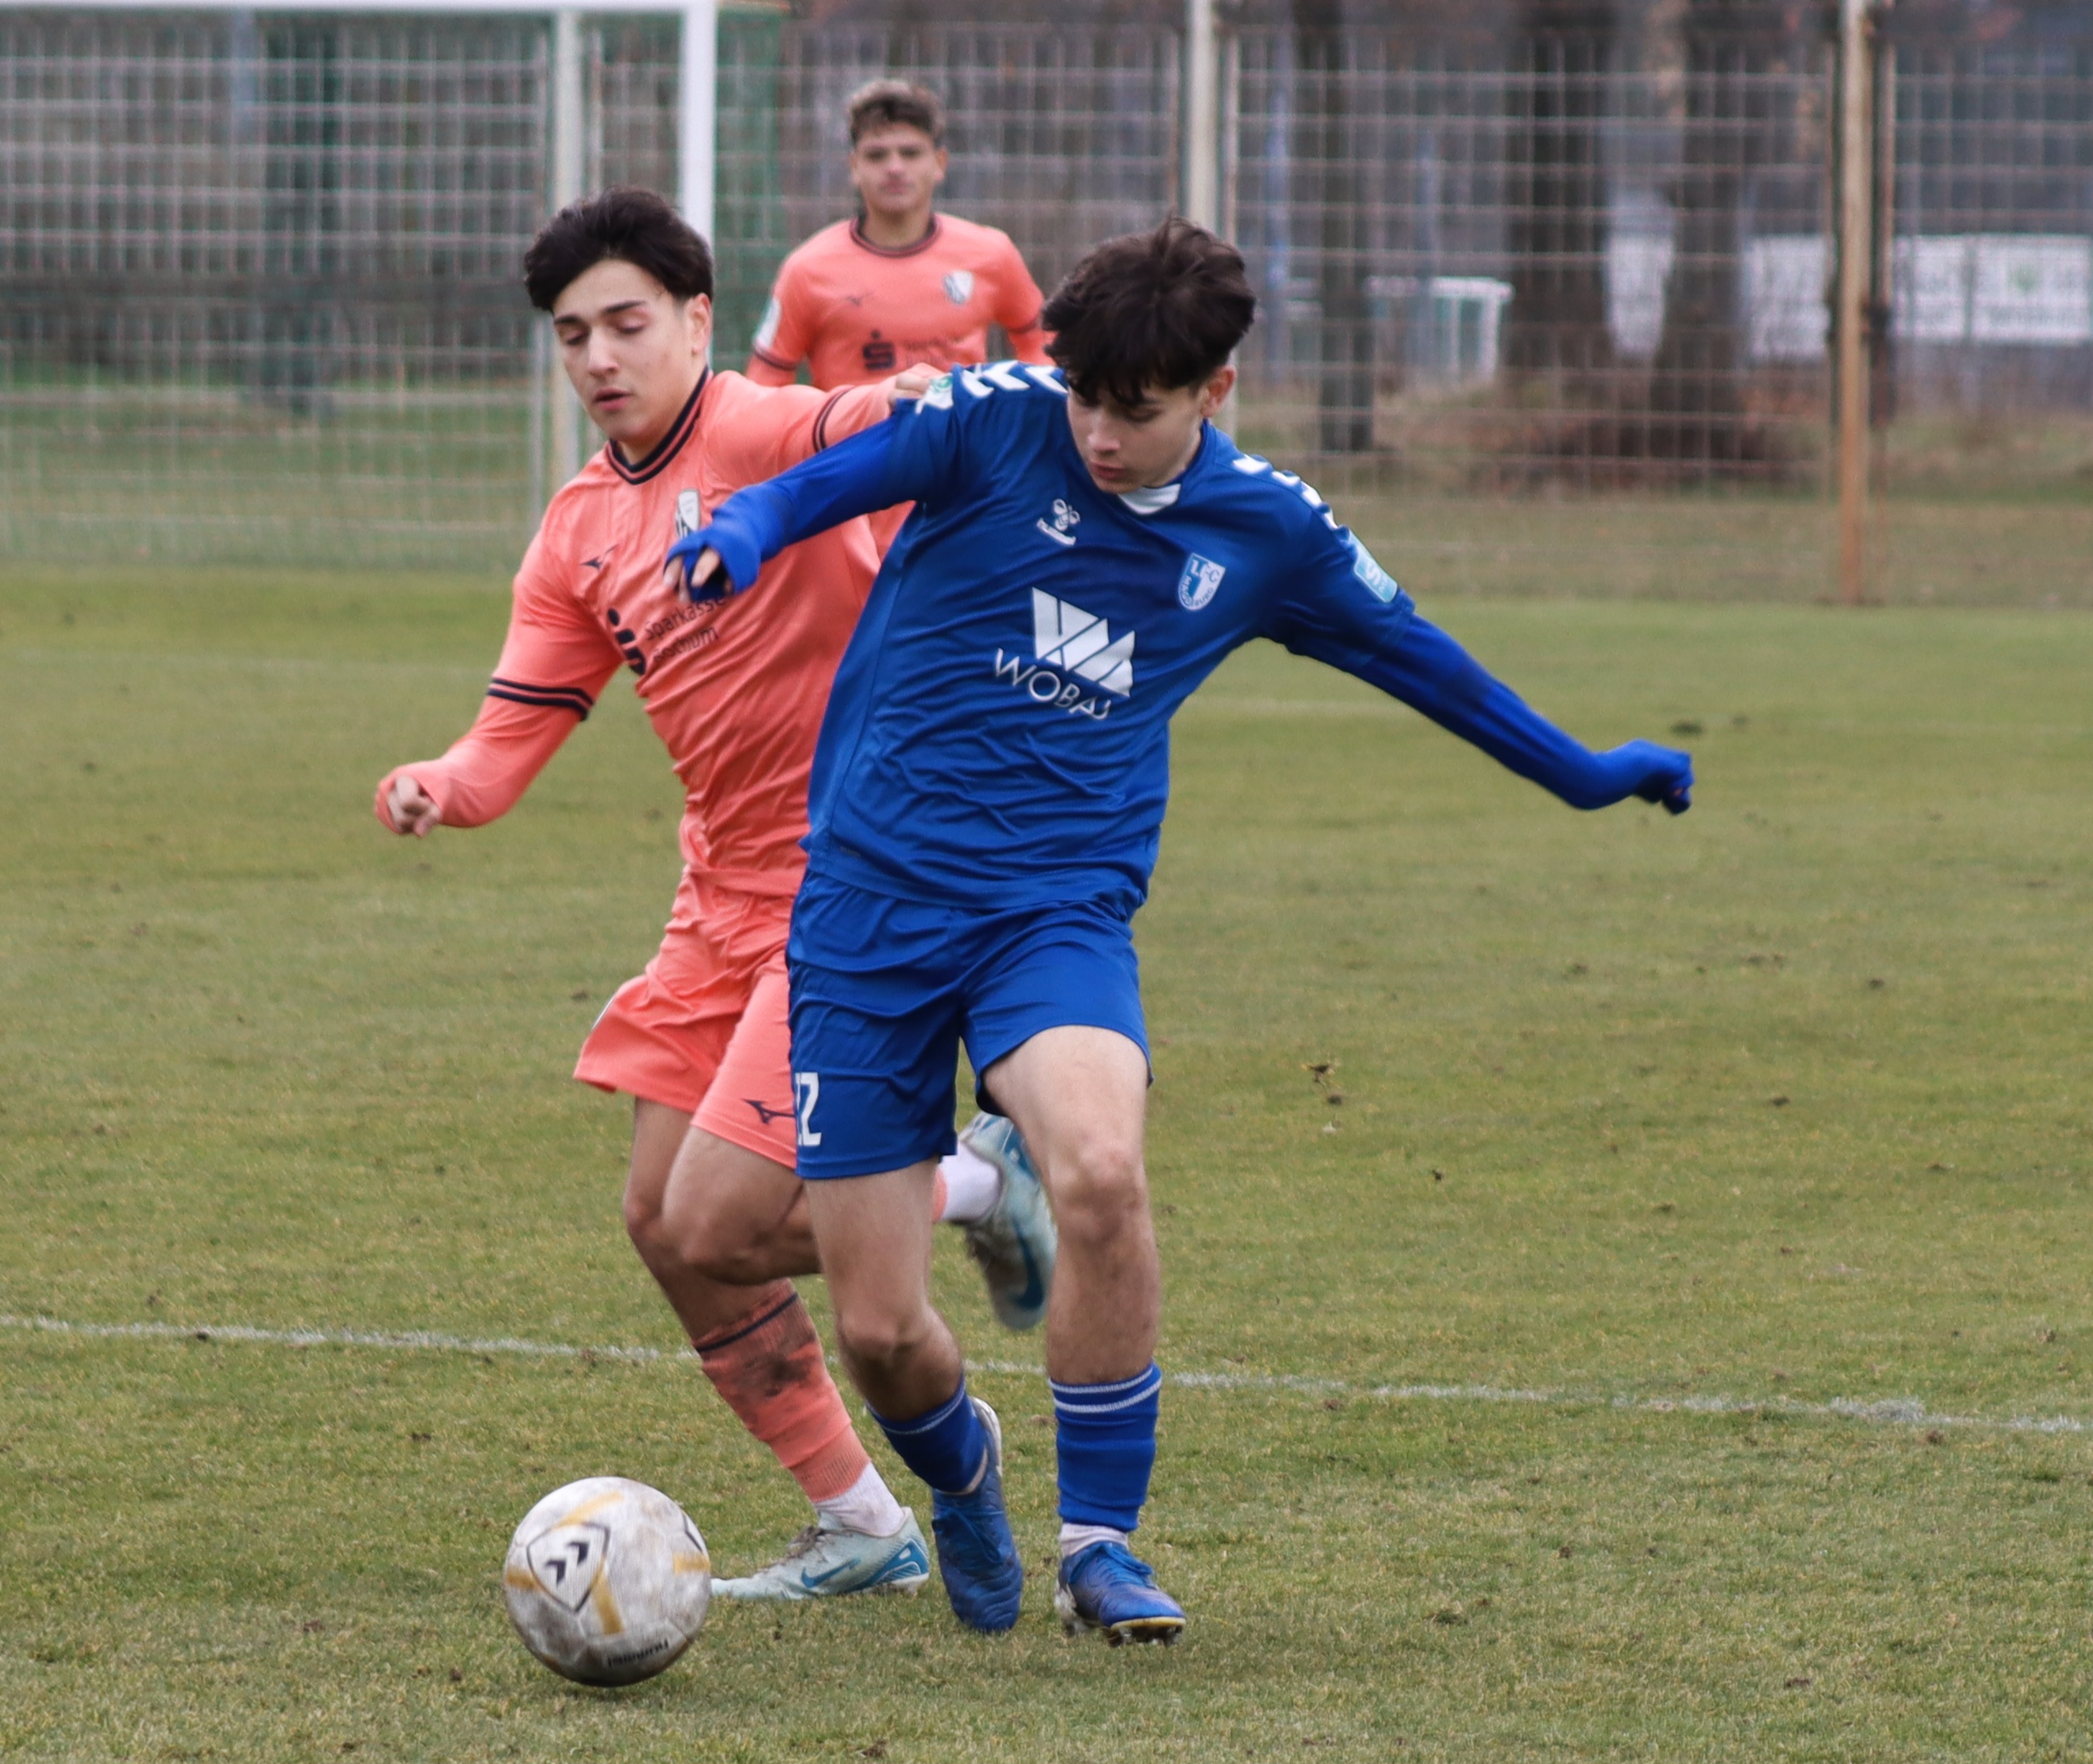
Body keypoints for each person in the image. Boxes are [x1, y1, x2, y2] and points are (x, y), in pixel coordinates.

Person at [666, 218, 1694, 1644]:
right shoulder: (995, 422)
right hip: (865, 908)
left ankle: (1102, 1544)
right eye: (1080, 392)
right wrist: (737, 529)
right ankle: (963, 1474)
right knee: (882, 1330)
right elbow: (823, 482)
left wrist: (1585, 770)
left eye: (1131, 408)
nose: (1092, 428)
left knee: (1095, 1167)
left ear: (1213, 389)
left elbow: (1431, 670)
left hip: (1053, 911)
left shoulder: (1266, 531)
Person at [374, 186, 1056, 1603]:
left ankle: (982, 1180)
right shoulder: (577, 529)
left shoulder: (765, 426)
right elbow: (511, 736)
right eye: (572, 335)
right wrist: (442, 778)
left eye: (627, 322)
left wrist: (936, 394)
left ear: (697, 318)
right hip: (717, 896)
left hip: (854, 881)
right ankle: (863, 1519)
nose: (600, 356)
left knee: (718, 1215)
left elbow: (881, 431)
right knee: (658, 1220)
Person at [746, 79, 1050, 394]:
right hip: (856, 443)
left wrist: (1024, 411)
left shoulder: (991, 253)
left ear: (939, 163)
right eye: (877, 155)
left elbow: (1042, 340)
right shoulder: (806, 270)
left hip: (959, 444)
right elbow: (763, 386)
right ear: (854, 167)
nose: (894, 167)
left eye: (910, 153)